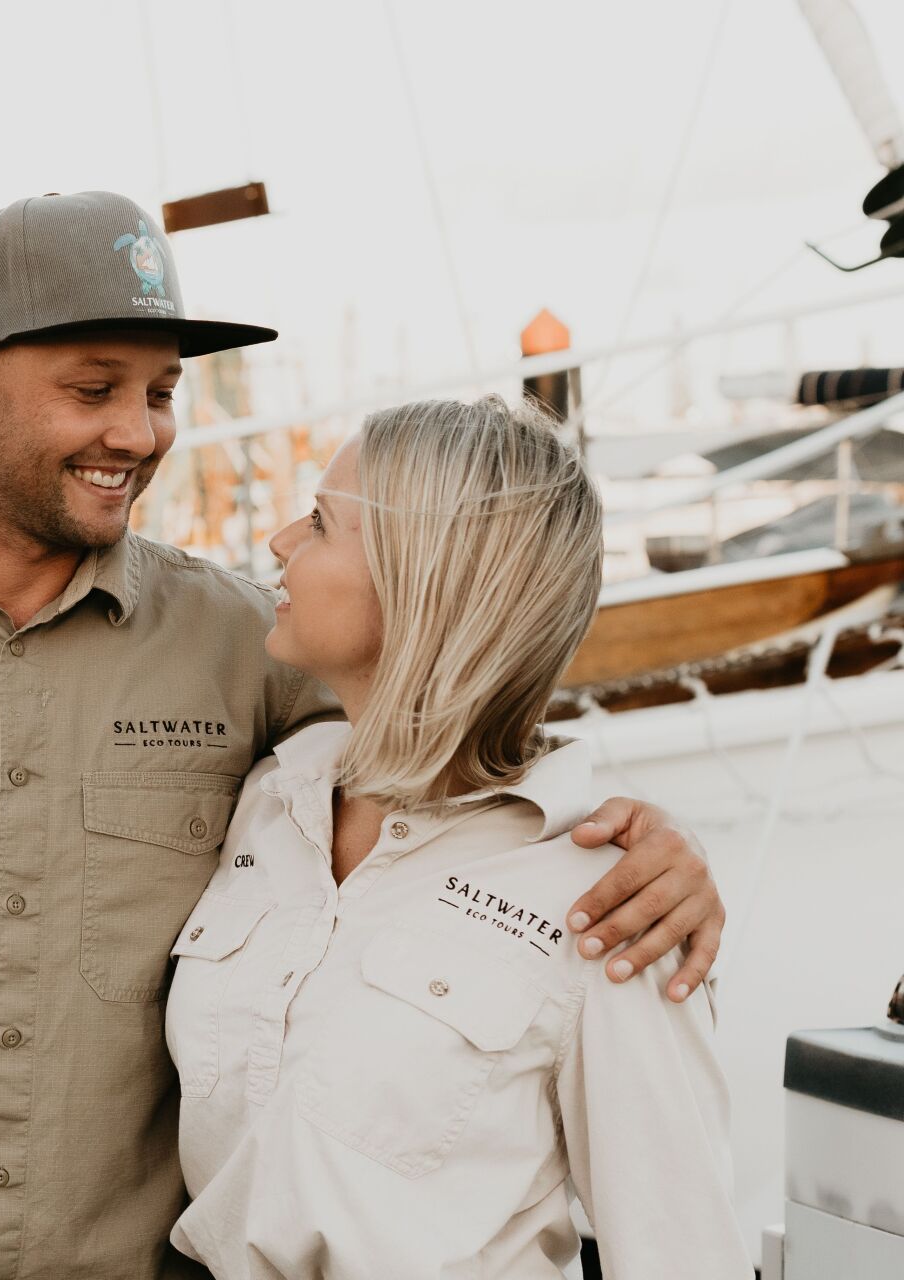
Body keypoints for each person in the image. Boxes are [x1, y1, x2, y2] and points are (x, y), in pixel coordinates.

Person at [0, 191, 727, 1280]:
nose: (137, 433)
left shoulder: (250, 645)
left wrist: (649, 841)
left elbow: (452, 747)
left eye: (161, 390)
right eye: (94, 387)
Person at [166, 398, 750, 1279]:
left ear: (421, 577)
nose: (282, 540)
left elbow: (683, 1253)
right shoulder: (268, 803)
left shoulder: (610, 903)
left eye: (322, 522)